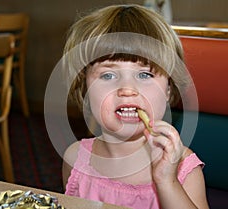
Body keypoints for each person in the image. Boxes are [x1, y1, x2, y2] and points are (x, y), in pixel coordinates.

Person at [62, 4, 209, 209]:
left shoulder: (182, 166)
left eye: (145, 74)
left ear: (168, 90)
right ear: (85, 88)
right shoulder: (75, 158)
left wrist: (167, 182)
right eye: (108, 75)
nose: (127, 89)